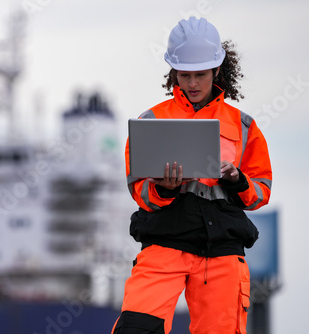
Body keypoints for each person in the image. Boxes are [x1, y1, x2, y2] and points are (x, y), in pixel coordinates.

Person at [111, 17, 272, 334]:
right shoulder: (151, 120)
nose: (193, 83)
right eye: (185, 75)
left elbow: (261, 189)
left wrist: (237, 179)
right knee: (136, 329)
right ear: (174, 73)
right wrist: (164, 188)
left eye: (201, 75)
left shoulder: (244, 125)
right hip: (165, 240)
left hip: (222, 248)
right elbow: (139, 190)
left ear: (217, 71)